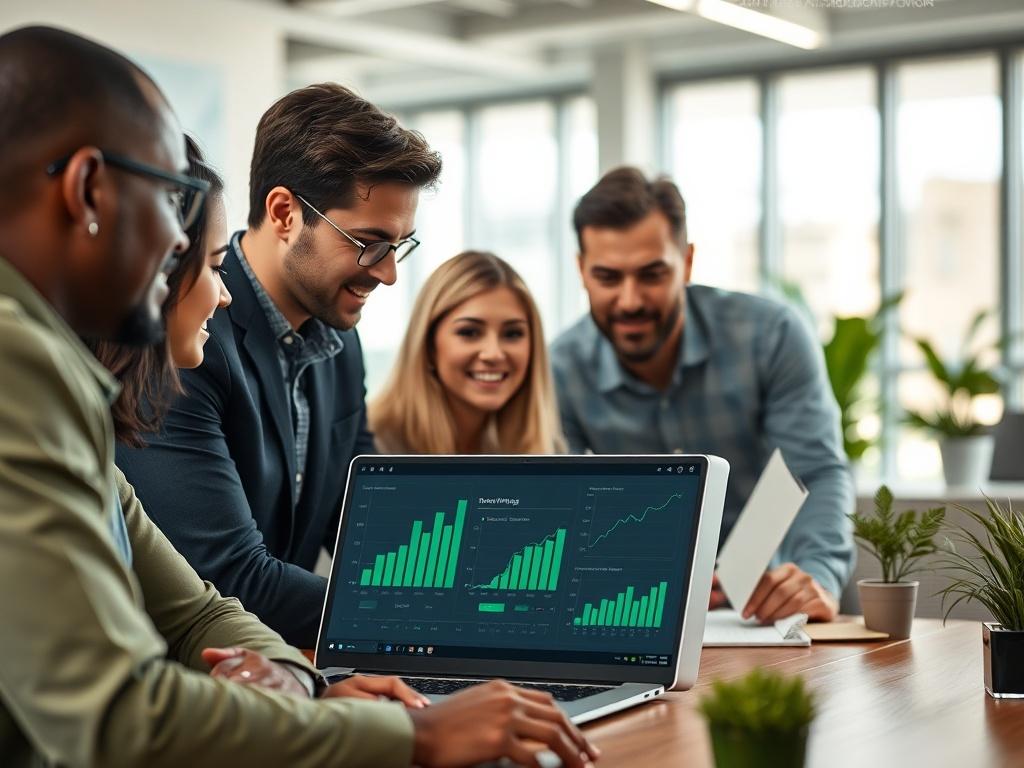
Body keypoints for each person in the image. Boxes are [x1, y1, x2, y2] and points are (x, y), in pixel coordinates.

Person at [0, 26, 599, 768]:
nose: (181, 248)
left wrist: (297, 676)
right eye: (171, 200)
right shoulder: (31, 362)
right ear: (88, 189)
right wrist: (423, 714)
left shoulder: (68, 378)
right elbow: (130, 704)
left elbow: (204, 612)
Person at [117, 82, 442, 647]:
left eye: (400, 245)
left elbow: (370, 525)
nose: (388, 273)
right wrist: (441, 618)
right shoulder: (184, 340)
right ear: (285, 213)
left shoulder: (340, 334)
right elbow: (232, 577)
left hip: (280, 663)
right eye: (369, 242)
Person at [551, 167, 855, 624]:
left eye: (652, 274)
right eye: (608, 277)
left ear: (687, 261)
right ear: (581, 271)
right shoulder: (561, 368)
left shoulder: (771, 334)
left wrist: (818, 576)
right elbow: (563, 517)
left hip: (769, 609)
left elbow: (813, 471)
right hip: (638, 612)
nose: (630, 300)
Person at [369, 250, 564, 454]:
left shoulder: (545, 449)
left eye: (513, 334)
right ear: (428, 345)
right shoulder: (371, 445)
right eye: (469, 332)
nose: (494, 353)